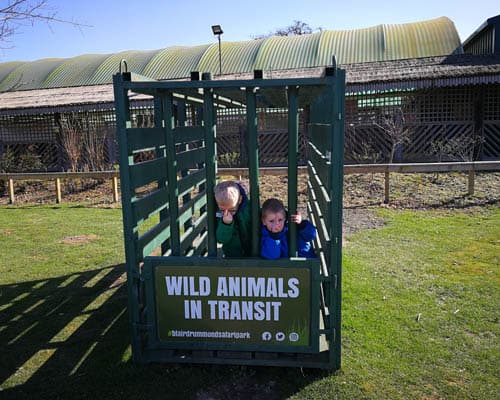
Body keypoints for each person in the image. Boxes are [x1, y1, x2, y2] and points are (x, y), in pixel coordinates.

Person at [214, 180, 251, 257]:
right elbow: (221, 239)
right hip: (232, 256)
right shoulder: (220, 215)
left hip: (252, 252)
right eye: (222, 210)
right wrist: (226, 224)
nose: (227, 213)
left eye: (232, 210)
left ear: (240, 200)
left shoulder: (249, 208)